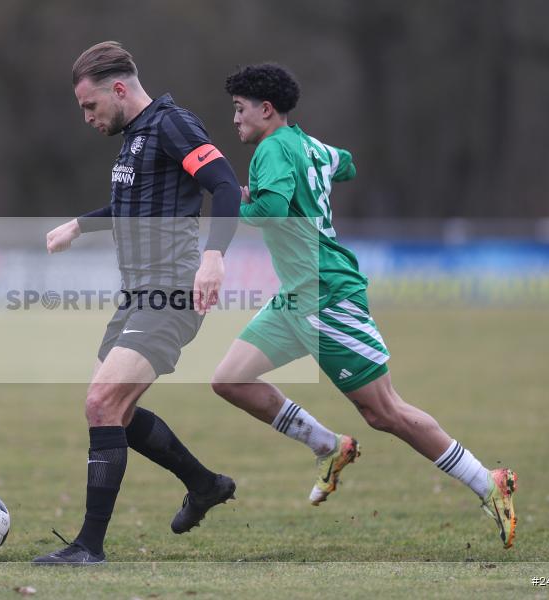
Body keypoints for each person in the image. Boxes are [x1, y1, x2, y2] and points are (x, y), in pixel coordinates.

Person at [210, 63, 518, 548]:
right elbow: (346, 161)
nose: (235, 119)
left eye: (239, 109)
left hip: (328, 295)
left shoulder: (271, 148)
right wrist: (307, 181)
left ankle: (488, 481)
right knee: (229, 379)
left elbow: (268, 210)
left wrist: (236, 202)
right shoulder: (307, 145)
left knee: (385, 412)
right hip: (297, 295)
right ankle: (328, 446)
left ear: (266, 110)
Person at [34, 41, 241, 564]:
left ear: (119, 89)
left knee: (102, 403)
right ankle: (205, 485)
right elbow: (130, 206)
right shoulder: (135, 138)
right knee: (114, 415)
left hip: (171, 292)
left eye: (90, 106)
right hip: (135, 296)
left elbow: (225, 187)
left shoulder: (173, 125)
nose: (87, 117)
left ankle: (89, 547)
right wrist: (79, 226)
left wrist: (214, 258)